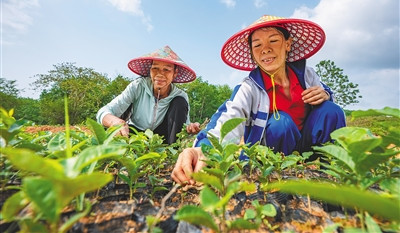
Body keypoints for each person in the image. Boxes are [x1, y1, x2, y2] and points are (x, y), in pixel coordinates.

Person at [172, 15, 346, 184]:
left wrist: (325, 94)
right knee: (281, 122)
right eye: (257, 45)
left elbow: (325, 93)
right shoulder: (250, 88)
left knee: (331, 110)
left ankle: (330, 175)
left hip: (306, 144)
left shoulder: (306, 75)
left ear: (288, 44)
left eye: (274, 40)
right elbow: (230, 116)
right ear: (253, 54)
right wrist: (203, 149)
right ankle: (278, 178)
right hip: (273, 150)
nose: (266, 49)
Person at [96, 45, 200, 144]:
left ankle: (173, 152)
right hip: (136, 133)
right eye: (155, 68)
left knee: (179, 102)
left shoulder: (181, 95)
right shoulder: (138, 86)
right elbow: (104, 112)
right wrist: (114, 122)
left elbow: (184, 126)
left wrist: (191, 127)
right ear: (150, 70)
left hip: (163, 137)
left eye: (166, 70)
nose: (160, 74)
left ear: (175, 73)